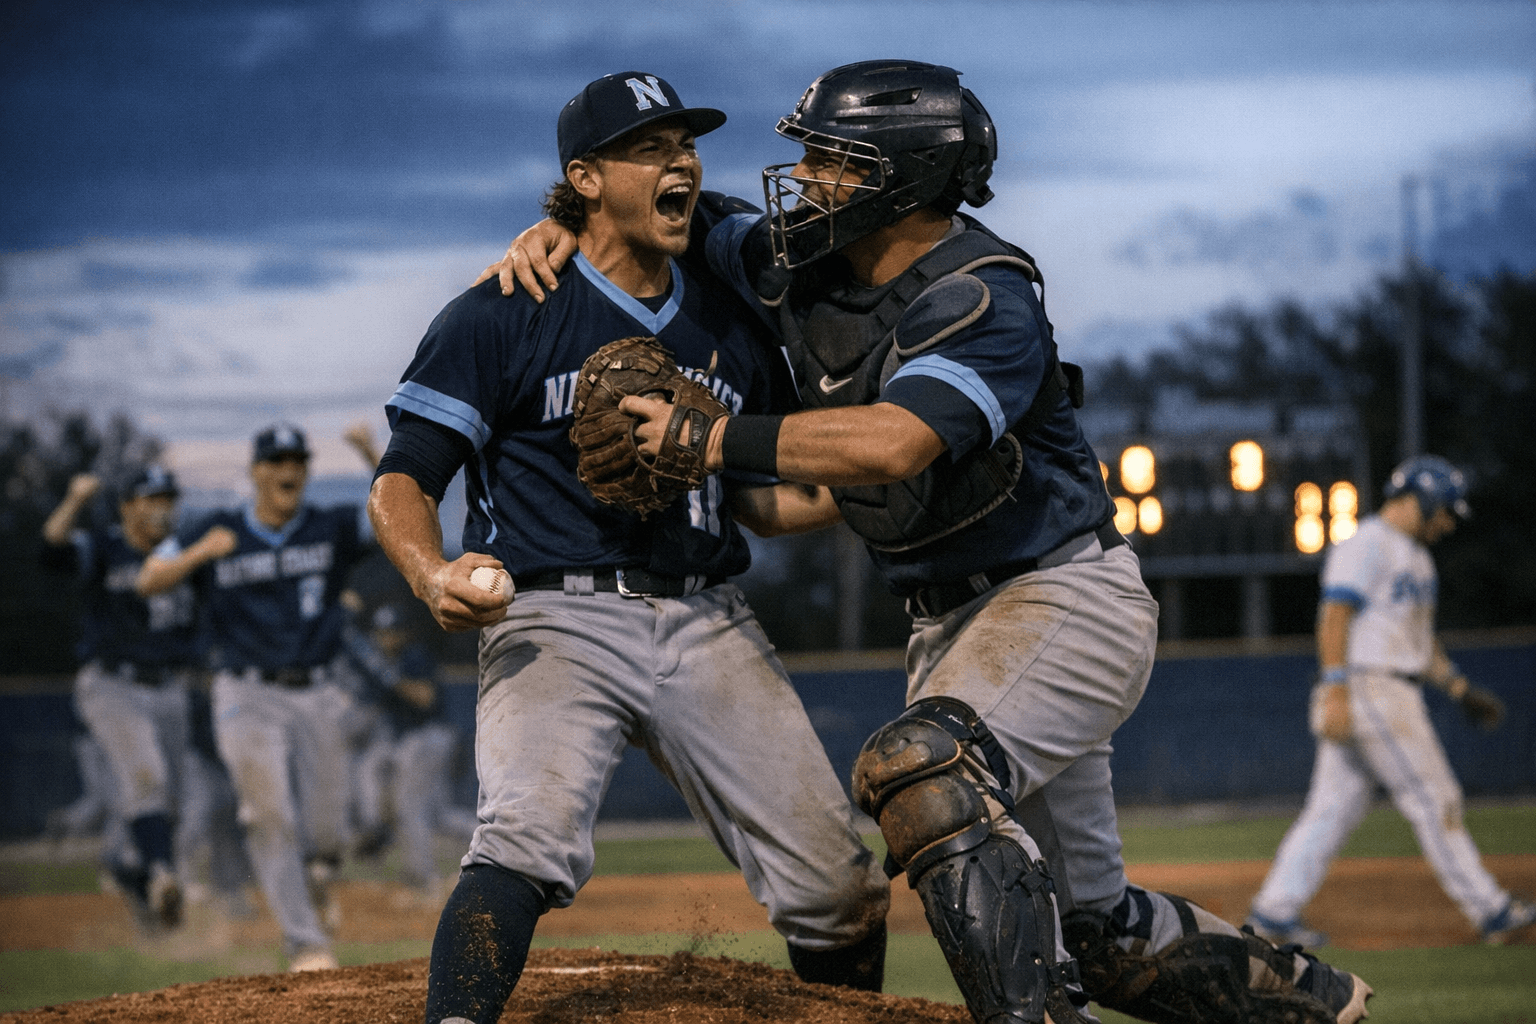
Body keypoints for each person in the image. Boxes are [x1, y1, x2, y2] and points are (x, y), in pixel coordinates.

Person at [493, 60, 1372, 1024]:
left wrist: (714, 438)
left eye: (832, 160)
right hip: (954, 625)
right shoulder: (796, 257)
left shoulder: (981, 296)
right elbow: (677, 216)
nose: (805, 179)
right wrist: (564, 227)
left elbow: (896, 442)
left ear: (902, 177)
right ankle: (1314, 1003)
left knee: (921, 770)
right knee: (1099, 938)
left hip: (1061, 600)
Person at [368, 70, 891, 1024]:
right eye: (651, 149)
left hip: (706, 615)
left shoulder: (729, 316)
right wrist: (429, 570)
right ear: (586, 178)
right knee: (522, 840)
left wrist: (882, 482)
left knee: (838, 888)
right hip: (552, 616)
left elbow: (767, 502)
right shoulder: (504, 308)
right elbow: (404, 476)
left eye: (686, 146)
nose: (681, 161)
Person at [1246, 455, 1535, 948]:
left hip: (1387, 684)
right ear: (1423, 499)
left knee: (1330, 810)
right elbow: (1334, 617)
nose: (1448, 523)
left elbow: (1419, 642)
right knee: (1434, 796)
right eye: (1446, 510)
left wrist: (1458, 688)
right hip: (1370, 686)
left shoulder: (1418, 557)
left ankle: (1273, 912)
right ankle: (1490, 910)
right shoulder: (1367, 542)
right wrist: (1336, 690)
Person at [137, 423, 378, 972]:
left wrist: (371, 453)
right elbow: (149, 578)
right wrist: (200, 553)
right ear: (255, 472)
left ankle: (319, 872)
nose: (288, 470)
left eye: (297, 461)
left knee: (326, 829)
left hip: (318, 691)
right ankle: (305, 944)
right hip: (244, 694)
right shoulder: (215, 528)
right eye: (276, 461)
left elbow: (397, 513)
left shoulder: (329, 525)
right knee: (267, 814)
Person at [41, 465, 199, 932]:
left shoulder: (182, 551)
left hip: (169, 685)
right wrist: (74, 500)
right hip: (112, 684)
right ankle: (162, 874)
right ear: (127, 508)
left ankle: (132, 868)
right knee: (146, 777)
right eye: (150, 499)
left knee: (173, 803)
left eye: (167, 500)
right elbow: (51, 551)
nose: (161, 509)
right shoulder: (106, 547)